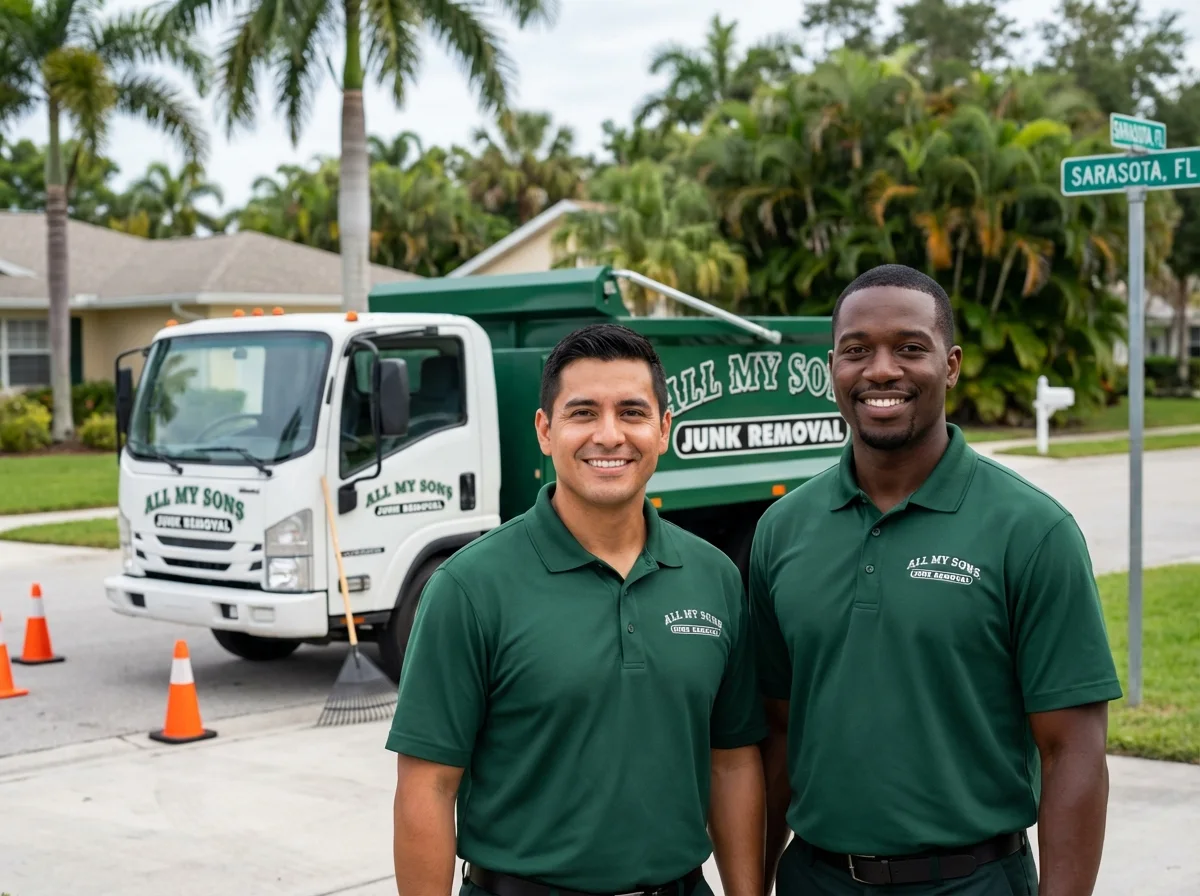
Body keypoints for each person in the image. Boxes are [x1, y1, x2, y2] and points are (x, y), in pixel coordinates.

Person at [749, 264, 1123, 895]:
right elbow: (779, 735)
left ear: (950, 366)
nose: (881, 370)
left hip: (973, 880)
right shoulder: (782, 530)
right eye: (856, 351)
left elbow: (1073, 753)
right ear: (831, 369)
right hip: (816, 879)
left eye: (909, 348)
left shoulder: (1033, 531)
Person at [387, 323, 768, 896]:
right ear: (546, 430)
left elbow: (732, 761)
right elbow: (428, 787)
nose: (609, 435)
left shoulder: (714, 577)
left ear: (664, 429)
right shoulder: (468, 587)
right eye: (583, 412)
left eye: (632, 413)